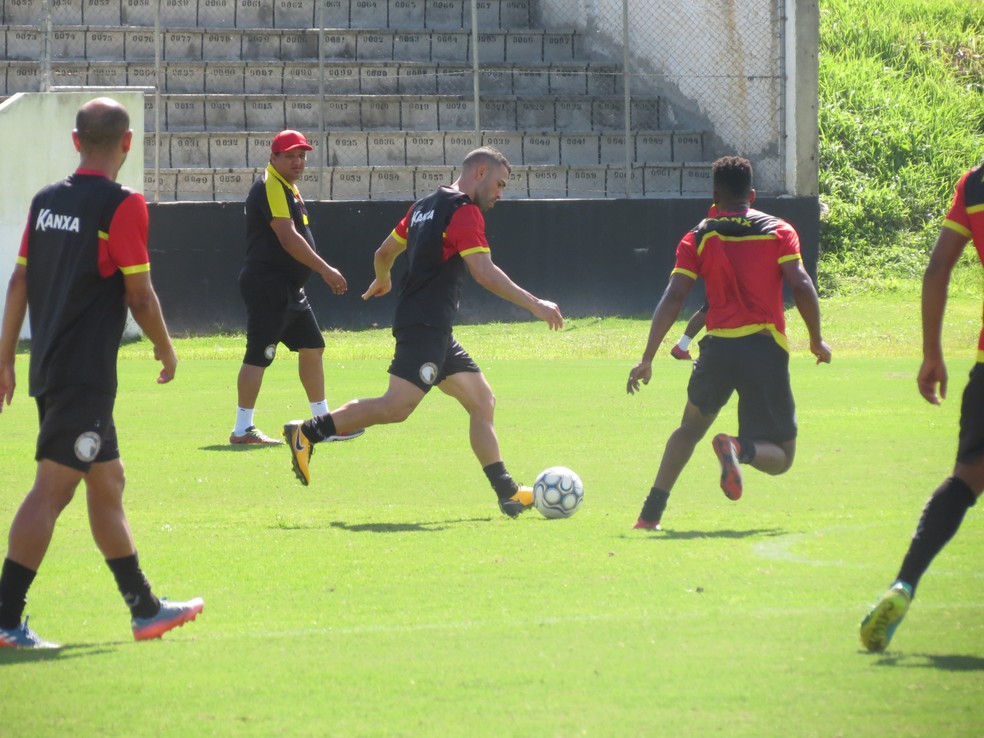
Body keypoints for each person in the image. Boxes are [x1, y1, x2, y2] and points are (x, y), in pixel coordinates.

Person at [0, 97, 203, 648]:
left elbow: (18, 282)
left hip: (50, 365)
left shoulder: (46, 201)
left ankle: (145, 609)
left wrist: (5, 360)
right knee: (51, 490)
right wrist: (166, 348)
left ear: (75, 141)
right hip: (83, 375)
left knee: (107, 482)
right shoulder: (124, 204)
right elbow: (140, 296)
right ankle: (5, 618)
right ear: (127, 143)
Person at [282, 147, 564, 516]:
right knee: (396, 406)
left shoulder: (422, 207)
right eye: (499, 184)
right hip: (425, 326)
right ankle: (308, 432)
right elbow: (484, 272)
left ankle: (507, 492)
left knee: (482, 401)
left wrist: (383, 279)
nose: (500, 193)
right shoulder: (464, 211)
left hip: (433, 327)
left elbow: (383, 253)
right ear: (480, 172)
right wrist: (535, 304)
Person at [626, 155, 831, 530]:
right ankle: (738, 448)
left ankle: (649, 515)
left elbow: (674, 297)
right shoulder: (779, 230)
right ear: (752, 195)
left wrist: (648, 357)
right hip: (764, 350)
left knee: (688, 431)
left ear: (714, 196)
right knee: (782, 456)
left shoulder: (697, 236)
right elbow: (801, 284)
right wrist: (816, 339)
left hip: (717, 350)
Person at [859, 162, 984, 653]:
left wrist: (932, 352)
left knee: (966, 478)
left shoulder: (974, 184)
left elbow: (937, 269)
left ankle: (904, 583)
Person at [230, 129, 362, 445]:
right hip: (268, 284)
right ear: (273, 157)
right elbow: (288, 237)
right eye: (289, 156)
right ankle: (242, 429)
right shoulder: (271, 185)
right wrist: (325, 269)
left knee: (313, 347)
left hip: (288, 286)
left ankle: (322, 424)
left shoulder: (288, 187)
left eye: (301, 156)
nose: (298, 162)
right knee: (260, 353)